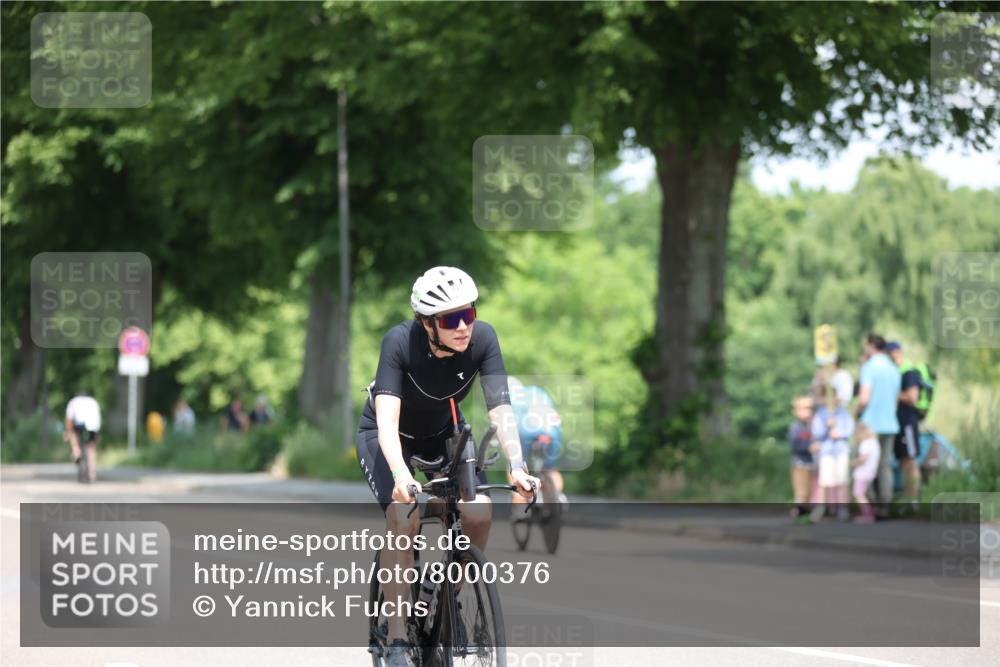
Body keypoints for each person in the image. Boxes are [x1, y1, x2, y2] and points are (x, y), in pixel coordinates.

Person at [354, 266, 538, 667]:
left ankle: (446, 600)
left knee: (478, 510)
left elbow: (500, 408)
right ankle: (400, 636)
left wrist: (517, 466)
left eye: (468, 314)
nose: (463, 327)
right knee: (404, 515)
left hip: (443, 436)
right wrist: (402, 476)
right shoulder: (400, 342)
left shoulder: (483, 338)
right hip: (389, 438)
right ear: (426, 323)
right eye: (450, 319)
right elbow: (386, 423)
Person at [506, 376, 568, 517]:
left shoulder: (509, 400)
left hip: (526, 431)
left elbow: (508, 425)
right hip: (552, 431)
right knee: (550, 468)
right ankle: (557, 496)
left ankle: (521, 505)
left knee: (515, 465)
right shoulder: (537, 392)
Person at [855, 334, 901, 517]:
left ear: (870, 346)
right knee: (884, 466)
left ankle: (870, 505)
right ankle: (885, 505)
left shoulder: (869, 367)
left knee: (866, 463)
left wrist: (855, 410)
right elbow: (896, 399)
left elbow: (864, 398)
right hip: (890, 423)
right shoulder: (893, 368)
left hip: (870, 426)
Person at [810, 385, 855, 522]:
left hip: (840, 450)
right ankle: (822, 506)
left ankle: (843, 508)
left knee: (842, 480)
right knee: (825, 481)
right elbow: (816, 432)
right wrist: (826, 427)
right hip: (826, 451)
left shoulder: (843, 413)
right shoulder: (821, 414)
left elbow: (849, 429)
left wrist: (839, 433)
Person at [886, 341, 923, 504]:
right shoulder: (894, 372)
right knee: (903, 460)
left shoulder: (908, 372)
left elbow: (912, 397)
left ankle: (913, 500)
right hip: (897, 423)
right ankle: (907, 498)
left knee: (910, 460)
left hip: (907, 422)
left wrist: (893, 392)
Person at [787, 396, 817, 520]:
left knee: (811, 491)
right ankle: (800, 513)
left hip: (812, 464)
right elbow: (794, 446)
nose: (807, 411)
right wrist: (808, 447)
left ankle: (806, 514)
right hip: (800, 464)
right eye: (803, 408)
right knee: (801, 491)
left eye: (809, 408)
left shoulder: (814, 426)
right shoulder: (795, 428)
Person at [64, 392, 101, 483]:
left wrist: (67, 432)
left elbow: (69, 420)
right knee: (91, 448)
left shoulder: (73, 402)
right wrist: (98, 434)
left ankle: (76, 451)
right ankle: (92, 474)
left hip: (80, 425)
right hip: (93, 426)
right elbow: (98, 419)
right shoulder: (94, 402)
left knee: (73, 434)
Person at [852, 422, 881, 524]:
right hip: (871, 472)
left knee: (858, 494)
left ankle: (867, 514)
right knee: (866, 493)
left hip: (862, 473)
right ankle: (870, 512)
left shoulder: (865, 444)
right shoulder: (875, 442)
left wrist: (853, 463)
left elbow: (862, 458)